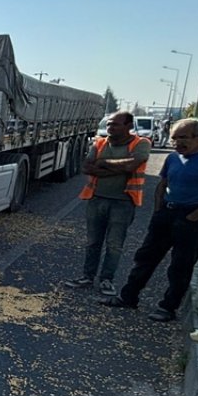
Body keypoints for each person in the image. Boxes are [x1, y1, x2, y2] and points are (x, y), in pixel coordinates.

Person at [102, 118, 198, 322]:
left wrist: (195, 216)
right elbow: (162, 185)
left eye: (183, 138)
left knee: (180, 265)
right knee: (145, 257)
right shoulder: (172, 159)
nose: (178, 142)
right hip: (167, 214)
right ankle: (128, 297)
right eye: (174, 138)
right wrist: (159, 210)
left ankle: (168, 307)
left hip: (191, 218)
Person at [64, 111, 151, 296]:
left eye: (116, 124)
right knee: (93, 242)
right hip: (97, 199)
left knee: (114, 244)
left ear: (128, 126)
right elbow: (87, 167)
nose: (110, 127)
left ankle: (106, 280)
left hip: (123, 203)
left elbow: (131, 166)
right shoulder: (100, 142)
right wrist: (117, 168)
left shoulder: (141, 143)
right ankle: (87, 277)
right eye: (109, 124)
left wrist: (102, 163)